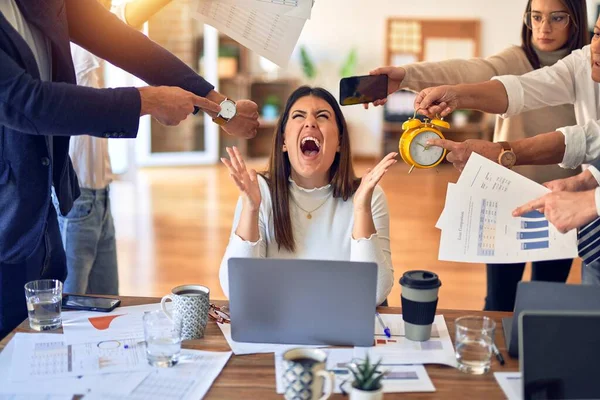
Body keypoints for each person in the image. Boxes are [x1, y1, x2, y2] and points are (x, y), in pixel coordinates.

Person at [0, 0, 259, 338]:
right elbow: (28, 102)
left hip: (42, 211)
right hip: (8, 218)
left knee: (44, 341)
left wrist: (221, 106)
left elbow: (121, 40)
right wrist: (148, 101)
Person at [365, 0, 588, 312]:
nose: (543, 27)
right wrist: (405, 76)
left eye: (557, 18)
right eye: (535, 17)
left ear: (577, 21)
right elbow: (466, 70)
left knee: (546, 299)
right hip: (507, 199)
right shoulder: (517, 59)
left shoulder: (588, 65)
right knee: (499, 300)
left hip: (563, 197)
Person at [218, 87, 396, 306]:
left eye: (322, 116)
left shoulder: (368, 196)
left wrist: (361, 210)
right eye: (298, 116)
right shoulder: (258, 192)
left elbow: (375, 294)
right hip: (276, 326)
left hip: (342, 329)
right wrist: (251, 209)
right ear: (284, 140)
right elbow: (236, 291)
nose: (310, 123)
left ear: (340, 141)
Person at [53, 0, 176, 297]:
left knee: (107, 303)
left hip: (101, 197)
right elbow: (125, 19)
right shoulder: (72, 32)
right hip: (76, 201)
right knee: (70, 310)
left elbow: (123, 20)